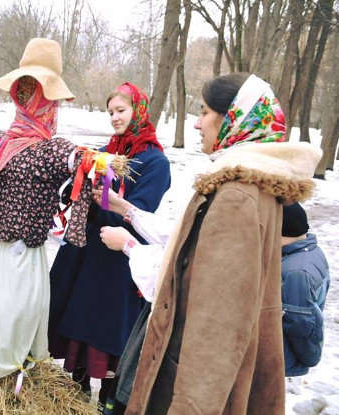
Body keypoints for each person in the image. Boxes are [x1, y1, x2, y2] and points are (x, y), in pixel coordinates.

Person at [108, 73, 321, 415]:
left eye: (205, 112)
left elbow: (217, 327)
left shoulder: (236, 196)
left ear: (233, 119)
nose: (196, 124)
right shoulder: (252, 187)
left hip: (188, 385)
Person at [0, 38, 127, 383]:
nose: (29, 98)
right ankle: (3, 385)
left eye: (32, 91)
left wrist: (106, 163)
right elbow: (85, 160)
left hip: (21, 252)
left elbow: (89, 162)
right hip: (10, 253)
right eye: (27, 91)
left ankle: (9, 382)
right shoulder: (4, 143)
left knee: (14, 319)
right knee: (7, 319)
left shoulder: (8, 144)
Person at [48, 82, 171, 405]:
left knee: (109, 330)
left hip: (120, 255)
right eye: (111, 112)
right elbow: (81, 193)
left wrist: (110, 205)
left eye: (121, 111)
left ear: (139, 112)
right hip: (87, 252)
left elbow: (142, 208)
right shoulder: (106, 153)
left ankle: (110, 401)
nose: (115, 118)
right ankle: (76, 396)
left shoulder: (154, 162)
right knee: (80, 321)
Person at [280, 202, 330, 377]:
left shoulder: (296, 272)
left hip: (285, 356)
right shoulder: (311, 251)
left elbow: (300, 323)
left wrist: (309, 357)